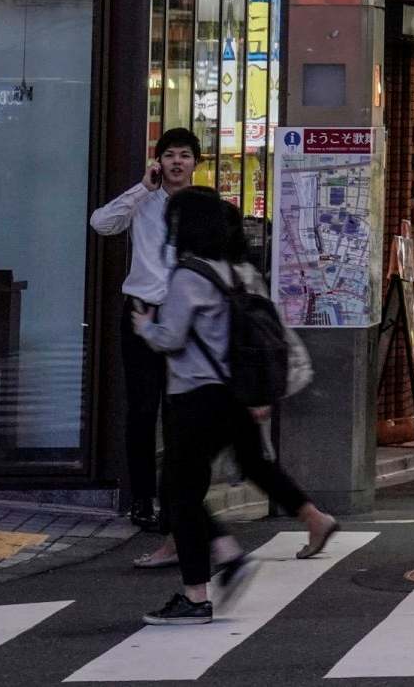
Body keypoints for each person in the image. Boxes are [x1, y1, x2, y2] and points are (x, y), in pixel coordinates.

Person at [134, 191, 339, 626]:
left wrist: (145, 326)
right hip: (236, 395)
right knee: (252, 465)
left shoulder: (189, 277)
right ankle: (271, 534)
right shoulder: (239, 273)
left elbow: (170, 338)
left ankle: (198, 593)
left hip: (195, 398)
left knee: (179, 493)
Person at [90, 126, 202, 534]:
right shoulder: (143, 201)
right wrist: (141, 189)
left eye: (185, 155)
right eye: (170, 154)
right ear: (158, 161)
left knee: (179, 414)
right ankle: (142, 498)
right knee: (141, 410)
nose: (176, 162)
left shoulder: (203, 206)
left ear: (195, 163)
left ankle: (176, 499)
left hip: (186, 319)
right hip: (141, 313)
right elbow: (102, 224)